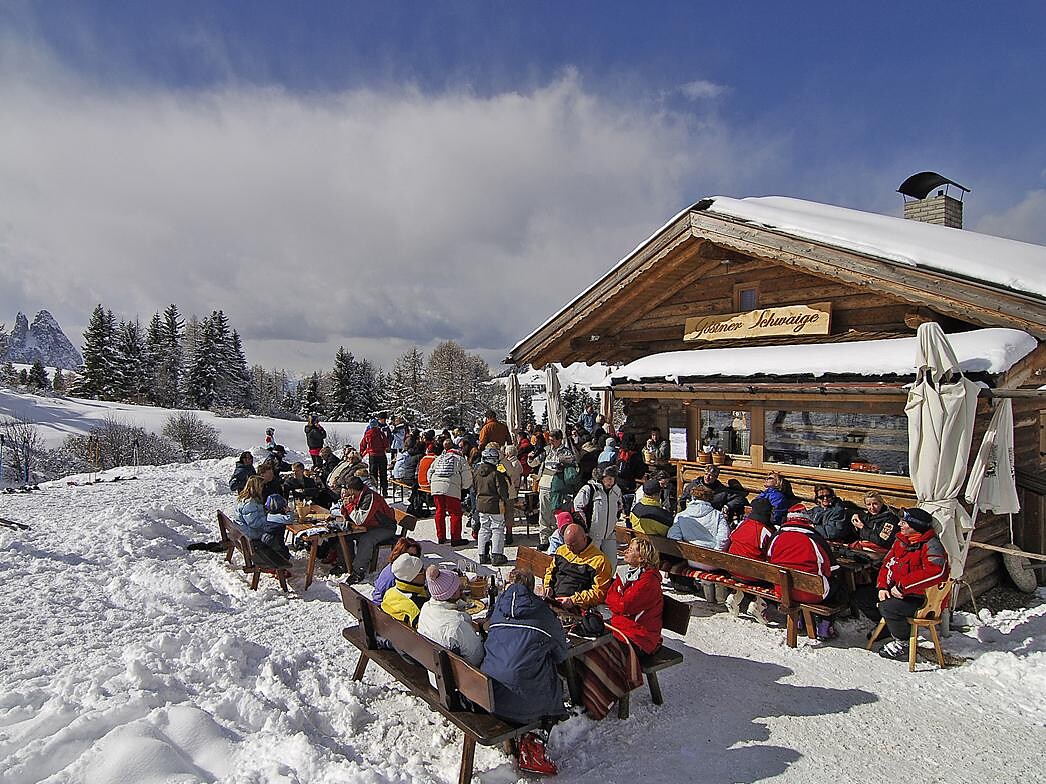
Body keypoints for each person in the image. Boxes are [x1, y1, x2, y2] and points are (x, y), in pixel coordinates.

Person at [481, 568, 567, 776]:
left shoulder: (498, 607)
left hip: (489, 691)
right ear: (531, 589)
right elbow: (561, 654)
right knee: (547, 671)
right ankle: (535, 741)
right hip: (522, 699)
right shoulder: (542, 613)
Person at [855, 507, 950, 661]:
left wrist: (902, 587)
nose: (899, 524)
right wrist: (882, 586)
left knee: (888, 607)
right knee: (861, 597)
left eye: (904, 522)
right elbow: (887, 563)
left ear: (915, 526)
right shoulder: (901, 541)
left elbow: (936, 571)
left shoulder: (931, 545)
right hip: (896, 592)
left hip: (920, 599)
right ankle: (889, 627)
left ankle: (903, 642)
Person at [767, 504, 837, 634]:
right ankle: (824, 626)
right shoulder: (815, 539)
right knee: (839, 587)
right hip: (812, 594)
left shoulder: (776, 536)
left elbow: (769, 559)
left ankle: (800, 619)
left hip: (782, 589)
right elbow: (832, 569)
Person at [334, 477, 398, 583]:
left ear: (352, 489)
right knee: (344, 535)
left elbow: (359, 519)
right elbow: (350, 516)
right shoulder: (358, 495)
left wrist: (349, 505)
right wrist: (345, 506)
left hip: (385, 527)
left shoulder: (370, 497)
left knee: (366, 539)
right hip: (371, 526)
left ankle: (359, 571)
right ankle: (345, 564)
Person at [417, 566, 485, 667]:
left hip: (434, 668)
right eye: (458, 586)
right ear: (452, 594)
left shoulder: (426, 608)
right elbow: (477, 657)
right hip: (458, 678)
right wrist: (482, 634)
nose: (461, 588)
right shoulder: (457, 624)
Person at [606, 537, 664, 655]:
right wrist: (618, 602)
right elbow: (609, 597)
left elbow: (624, 606)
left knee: (601, 651)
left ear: (641, 557)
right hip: (621, 626)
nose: (626, 551)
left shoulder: (648, 580)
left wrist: (618, 602)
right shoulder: (627, 573)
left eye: (631, 550)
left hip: (640, 637)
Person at [543, 523, 614, 611]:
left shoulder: (599, 561)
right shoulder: (562, 550)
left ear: (584, 539)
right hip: (553, 599)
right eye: (568, 545)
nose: (570, 549)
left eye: (573, 545)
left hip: (576, 606)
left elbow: (600, 593)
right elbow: (551, 571)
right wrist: (547, 586)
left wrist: (574, 600)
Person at [529, 429, 577, 550]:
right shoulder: (546, 450)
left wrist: (563, 464)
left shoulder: (566, 452)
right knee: (544, 513)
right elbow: (534, 463)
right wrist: (530, 458)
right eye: (549, 440)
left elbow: (574, 466)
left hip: (558, 486)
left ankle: (557, 538)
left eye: (553, 440)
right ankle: (544, 539)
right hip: (544, 484)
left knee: (557, 513)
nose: (551, 443)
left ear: (560, 440)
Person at [573, 465, 624, 567]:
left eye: (613, 479)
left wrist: (614, 520)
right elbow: (577, 507)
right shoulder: (589, 489)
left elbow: (619, 507)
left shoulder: (616, 490)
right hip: (593, 535)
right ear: (601, 478)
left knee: (611, 563)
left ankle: (609, 581)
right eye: (609, 479)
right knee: (591, 563)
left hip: (609, 534)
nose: (611, 482)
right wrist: (585, 527)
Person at [428, 439, 473, 545]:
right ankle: (455, 538)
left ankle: (441, 537)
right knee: (455, 513)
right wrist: (463, 487)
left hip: (436, 487)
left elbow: (430, 472)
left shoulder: (438, 458)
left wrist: (432, 484)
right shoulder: (460, 459)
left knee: (440, 511)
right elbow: (467, 476)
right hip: (451, 487)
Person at [234, 476, 290, 559]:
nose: (263, 488)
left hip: (244, 532)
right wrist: (270, 518)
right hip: (250, 534)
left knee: (277, 527)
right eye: (261, 486)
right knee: (276, 530)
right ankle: (280, 555)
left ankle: (281, 552)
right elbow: (255, 523)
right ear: (256, 488)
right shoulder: (249, 503)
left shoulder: (246, 499)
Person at [474, 446, 511, 565]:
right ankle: (496, 555)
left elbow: (474, 488)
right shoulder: (496, 474)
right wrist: (505, 500)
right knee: (497, 529)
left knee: (484, 528)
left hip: (481, 504)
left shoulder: (477, 472)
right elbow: (503, 491)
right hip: (495, 504)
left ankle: (482, 555)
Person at [668, 484, 730, 550]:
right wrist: (715, 552)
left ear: (692, 497)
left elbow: (673, 535)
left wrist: (685, 552)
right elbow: (723, 538)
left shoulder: (681, 516)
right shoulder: (718, 515)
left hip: (688, 556)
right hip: (711, 555)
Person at [380, 553, 429, 627]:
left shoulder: (390, 592)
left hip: (393, 634)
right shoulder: (418, 607)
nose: (425, 572)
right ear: (413, 577)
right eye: (421, 570)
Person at [371, 537, 422, 606]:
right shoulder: (393, 575)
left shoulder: (404, 571)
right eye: (408, 555)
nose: (412, 559)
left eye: (415, 556)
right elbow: (379, 598)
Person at [360, 417, 391, 497]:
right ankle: (384, 491)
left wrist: (362, 452)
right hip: (381, 455)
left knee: (373, 474)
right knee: (383, 473)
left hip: (372, 456)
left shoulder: (368, 434)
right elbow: (386, 443)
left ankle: (375, 491)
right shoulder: (380, 433)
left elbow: (363, 444)